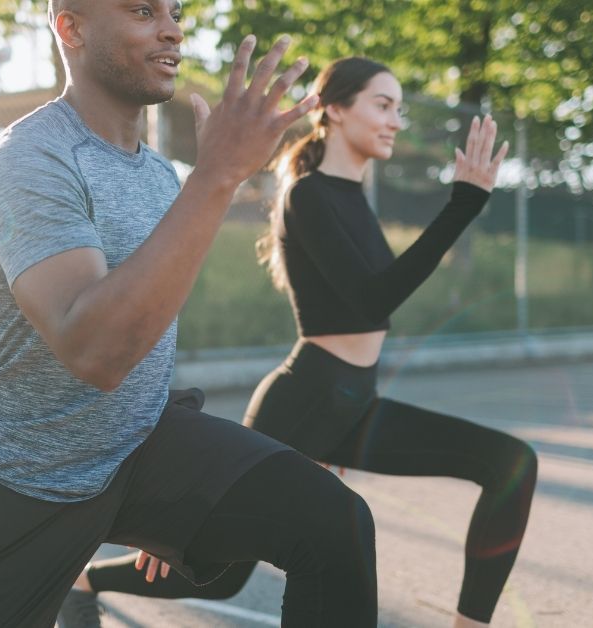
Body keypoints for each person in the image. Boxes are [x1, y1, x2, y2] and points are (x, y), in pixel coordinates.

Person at [0, 2, 382, 626]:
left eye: (175, 11)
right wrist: (218, 175)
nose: (172, 29)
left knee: (336, 525)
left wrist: (169, 500)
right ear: (71, 27)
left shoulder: (161, 176)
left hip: (138, 450)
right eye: (143, 10)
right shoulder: (29, 162)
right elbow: (96, 353)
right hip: (24, 482)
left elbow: (148, 330)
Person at [67, 57, 537, 628]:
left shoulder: (352, 196)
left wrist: (464, 204)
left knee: (510, 463)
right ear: (335, 109)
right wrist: (462, 204)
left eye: (399, 109)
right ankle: (82, 580)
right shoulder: (307, 195)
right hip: (305, 400)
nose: (394, 120)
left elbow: (374, 299)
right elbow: (371, 301)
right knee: (220, 567)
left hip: (354, 403)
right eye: (382, 105)